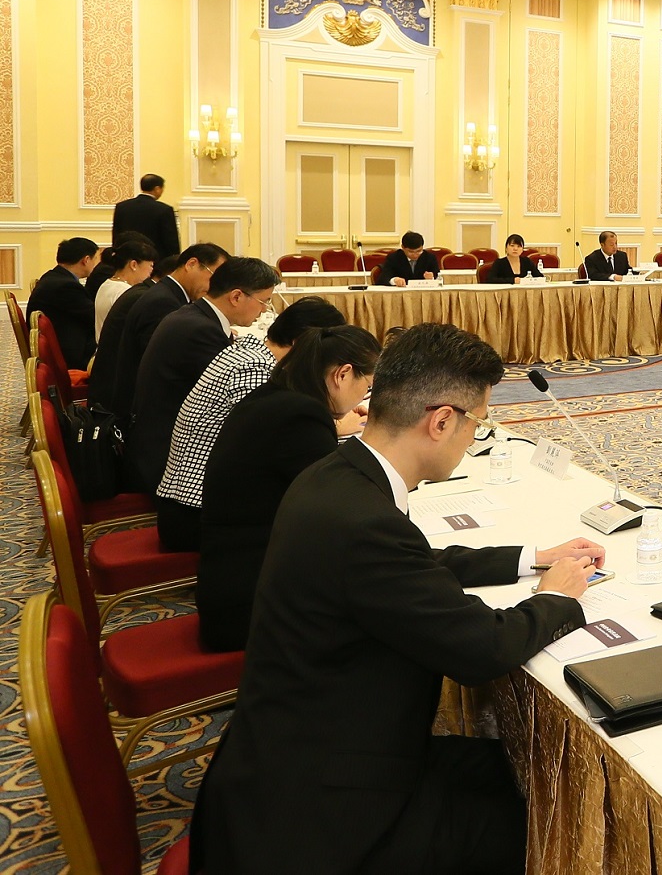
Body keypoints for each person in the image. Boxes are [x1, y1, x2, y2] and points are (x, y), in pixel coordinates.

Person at [190, 323, 602, 875]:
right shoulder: (363, 522)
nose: (473, 438)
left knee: (514, 769)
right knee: (550, 817)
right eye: (477, 423)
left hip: (299, 752)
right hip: (323, 811)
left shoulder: (337, 475)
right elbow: (482, 648)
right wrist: (556, 598)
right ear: (442, 421)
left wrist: (532, 557)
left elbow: (413, 564)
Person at [196, 325, 380, 651]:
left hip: (232, 577)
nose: (363, 396)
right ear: (342, 374)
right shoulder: (301, 416)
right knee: (379, 610)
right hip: (248, 604)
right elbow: (339, 504)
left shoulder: (276, 396)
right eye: (366, 386)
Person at [154, 297, 349, 554]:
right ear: (301, 343)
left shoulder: (249, 351)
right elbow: (266, 435)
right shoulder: (256, 368)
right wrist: (337, 425)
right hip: (195, 513)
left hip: (194, 503)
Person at [125, 257, 281, 496]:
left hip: (161, 442)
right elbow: (242, 404)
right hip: (171, 463)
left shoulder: (194, 316)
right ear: (236, 297)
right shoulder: (200, 331)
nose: (264, 310)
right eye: (264, 301)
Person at [104, 243, 229, 421]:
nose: (216, 286)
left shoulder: (166, 293)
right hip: (147, 416)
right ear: (191, 264)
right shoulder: (163, 302)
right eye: (214, 276)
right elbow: (160, 369)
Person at [26, 237, 101, 371]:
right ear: (86, 260)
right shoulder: (66, 286)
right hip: (70, 353)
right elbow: (94, 317)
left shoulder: (53, 276)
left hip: (61, 342)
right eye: (95, 259)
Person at [94, 237, 157, 339]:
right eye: (151, 265)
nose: (151, 271)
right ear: (134, 265)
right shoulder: (126, 292)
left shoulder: (106, 284)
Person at [111, 173, 180, 257]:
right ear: (157, 189)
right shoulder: (164, 209)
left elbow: (116, 235)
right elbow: (171, 241)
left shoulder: (121, 207)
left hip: (127, 257)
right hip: (155, 259)